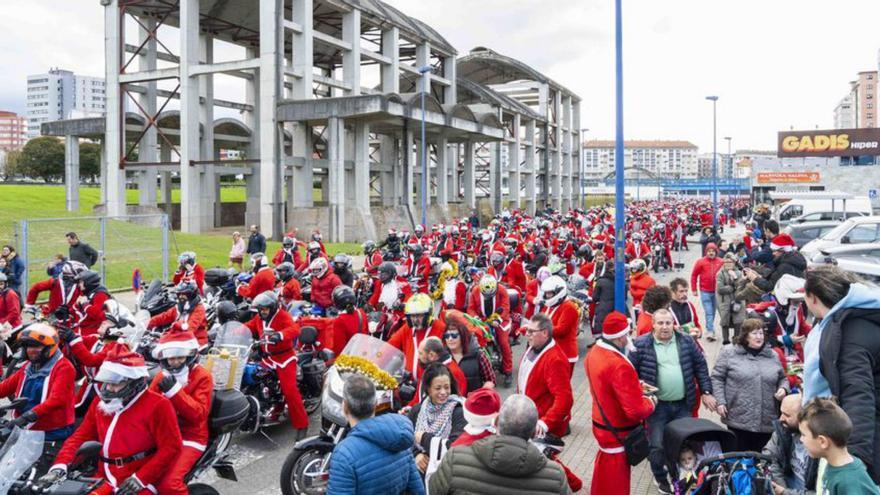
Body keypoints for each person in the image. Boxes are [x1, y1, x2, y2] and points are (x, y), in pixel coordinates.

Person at [42, 350, 182, 495]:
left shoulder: (158, 405)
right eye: (107, 383)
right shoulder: (100, 402)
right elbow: (81, 436)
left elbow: (171, 447)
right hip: (104, 475)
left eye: (115, 384)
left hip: (136, 478)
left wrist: (140, 478)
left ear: (135, 382)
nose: (109, 388)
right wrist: (60, 465)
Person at [802, 265, 880, 482]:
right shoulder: (846, 317)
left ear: (813, 298)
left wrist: (854, 461)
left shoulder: (848, 334)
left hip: (861, 439)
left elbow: (858, 394)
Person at [629, 308, 715, 494]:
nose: (665, 327)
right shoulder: (640, 344)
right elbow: (630, 373)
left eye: (668, 322)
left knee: (683, 443)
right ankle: (661, 478)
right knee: (657, 445)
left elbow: (700, 365)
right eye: (660, 323)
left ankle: (682, 478)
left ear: (673, 324)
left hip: (683, 404)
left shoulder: (686, 341)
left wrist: (707, 391)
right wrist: (640, 392)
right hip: (657, 407)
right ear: (653, 324)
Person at [429, 394, 571, 495]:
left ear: (496, 423)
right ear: (534, 433)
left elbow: (433, 490)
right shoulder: (555, 477)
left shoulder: (455, 459)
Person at [585, 311, 656, 495]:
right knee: (616, 483)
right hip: (617, 431)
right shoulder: (618, 364)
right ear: (621, 336)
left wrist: (635, 385)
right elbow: (634, 410)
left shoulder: (594, 352)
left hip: (601, 425)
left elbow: (607, 387)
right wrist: (651, 401)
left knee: (603, 477)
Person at [327, 374, 425, 495]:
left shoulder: (344, 453)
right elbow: (418, 489)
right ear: (375, 404)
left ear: (345, 406)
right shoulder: (399, 434)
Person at [711, 318, 789, 452]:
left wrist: (783, 388)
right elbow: (717, 378)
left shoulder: (773, 355)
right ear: (745, 335)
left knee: (763, 462)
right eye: (754, 333)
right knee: (740, 461)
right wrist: (720, 402)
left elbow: (783, 378)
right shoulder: (729, 352)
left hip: (767, 419)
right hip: (739, 418)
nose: (759, 337)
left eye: (761, 333)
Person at [150, 331, 213, 494]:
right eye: (171, 358)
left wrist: (175, 391)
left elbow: (198, 414)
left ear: (189, 356)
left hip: (191, 436)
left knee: (169, 485)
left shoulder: (202, 376)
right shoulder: (161, 376)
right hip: (163, 436)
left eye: (180, 357)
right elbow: (148, 407)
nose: (176, 363)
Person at [244, 291, 309, 433]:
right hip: (268, 358)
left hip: (285, 358)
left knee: (290, 391)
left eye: (265, 309)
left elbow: (294, 329)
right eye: (260, 309)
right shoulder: (259, 318)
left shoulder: (282, 316)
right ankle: (268, 407)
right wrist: (236, 330)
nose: (262, 312)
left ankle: (302, 425)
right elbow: (249, 326)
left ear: (272, 307)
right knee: (253, 378)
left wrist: (280, 335)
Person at [0, 324, 76, 441]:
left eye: (36, 346)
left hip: (52, 431)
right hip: (26, 426)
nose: (31, 350)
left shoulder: (64, 368)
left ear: (50, 347)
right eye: (27, 347)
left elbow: (57, 400)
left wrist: (27, 416)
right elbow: (6, 386)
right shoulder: (29, 366)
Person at [797, 397, 880, 495]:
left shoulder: (849, 481)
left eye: (803, 435)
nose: (801, 439)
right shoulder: (829, 464)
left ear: (822, 441)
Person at [516, 313, 573, 438]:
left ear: (545, 333)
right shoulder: (533, 347)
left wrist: (545, 423)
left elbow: (565, 399)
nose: (527, 335)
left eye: (531, 331)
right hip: (528, 419)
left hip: (541, 428)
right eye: (527, 330)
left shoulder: (555, 360)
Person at [408, 363, 466, 477]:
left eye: (446, 387)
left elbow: (454, 447)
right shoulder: (417, 410)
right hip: (419, 472)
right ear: (428, 389)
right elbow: (406, 438)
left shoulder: (458, 411)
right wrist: (416, 454)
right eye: (438, 388)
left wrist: (424, 438)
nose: (443, 392)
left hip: (447, 472)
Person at [763, 394, 817, 495]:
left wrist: (785, 492)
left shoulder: (820, 445)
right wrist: (782, 488)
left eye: (787, 415)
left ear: (804, 416)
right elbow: (768, 458)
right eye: (781, 412)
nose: (781, 418)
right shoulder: (783, 430)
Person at [466, 274, 513, 385]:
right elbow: (470, 308)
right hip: (481, 320)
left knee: (503, 342)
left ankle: (508, 372)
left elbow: (506, 307)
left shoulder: (502, 290)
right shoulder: (475, 291)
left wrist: (499, 319)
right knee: (473, 342)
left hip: (500, 319)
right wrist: (476, 318)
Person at [389, 294, 446, 378]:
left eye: (419, 315)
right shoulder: (407, 328)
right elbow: (389, 347)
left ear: (428, 314)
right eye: (412, 316)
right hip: (408, 383)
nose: (415, 320)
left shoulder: (441, 328)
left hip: (430, 382)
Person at [537, 275, 580, 375]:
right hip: (552, 352)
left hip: (565, 354)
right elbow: (540, 320)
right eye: (546, 293)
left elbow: (561, 330)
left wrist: (539, 330)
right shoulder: (550, 306)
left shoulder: (569, 308)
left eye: (550, 293)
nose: (547, 296)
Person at [444, 310, 496, 392]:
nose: (450, 339)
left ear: (463, 336)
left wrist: (481, 393)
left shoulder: (479, 355)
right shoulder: (442, 357)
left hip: (473, 402)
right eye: (447, 336)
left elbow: (491, 380)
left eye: (454, 335)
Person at [147, 281, 209, 349]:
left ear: (192, 295)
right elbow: (165, 316)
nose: (181, 296)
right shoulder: (179, 307)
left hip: (196, 342)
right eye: (179, 294)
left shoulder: (199, 309)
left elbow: (190, 328)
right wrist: (148, 323)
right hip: (180, 340)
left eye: (184, 294)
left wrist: (169, 334)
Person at [690, 242, 723, 341]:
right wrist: (694, 289)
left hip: (717, 292)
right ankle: (710, 331)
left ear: (716, 252)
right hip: (705, 291)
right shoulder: (700, 262)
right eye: (709, 251)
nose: (711, 253)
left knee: (712, 312)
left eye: (713, 251)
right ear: (706, 252)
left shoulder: (721, 262)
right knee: (709, 312)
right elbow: (694, 275)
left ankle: (710, 329)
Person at [716, 253, 746, 345]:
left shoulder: (738, 273)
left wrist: (735, 277)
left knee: (738, 321)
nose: (728, 264)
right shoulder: (720, 273)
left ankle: (736, 339)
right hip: (724, 301)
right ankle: (725, 340)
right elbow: (720, 289)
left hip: (738, 301)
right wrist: (732, 287)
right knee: (725, 321)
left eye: (731, 262)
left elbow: (741, 286)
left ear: (734, 263)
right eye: (726, 262)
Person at [330, 285, 367, 357]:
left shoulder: (339, 321)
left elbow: (339, 349)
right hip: (364, 354)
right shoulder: (361, 313)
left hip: (351, 359)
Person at [73, 270, 111, 336]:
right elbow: (76, 312)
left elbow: (98, 315)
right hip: (82, 330)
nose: (79, 285)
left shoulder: (101, 294)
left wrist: (85, 305)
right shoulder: (87, 293)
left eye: (81, 282)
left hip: (94, 333)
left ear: (88, 282)